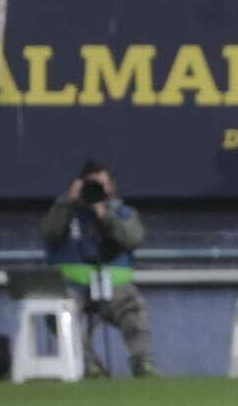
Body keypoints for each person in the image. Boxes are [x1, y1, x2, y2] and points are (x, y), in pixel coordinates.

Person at [41, 159, 156, 378]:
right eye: (90, 185)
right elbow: (49, 234)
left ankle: (143, 362)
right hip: (71, 287)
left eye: (101, 186)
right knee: (60, 312)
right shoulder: (64, 211)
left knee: (133, 307)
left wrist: (105, 214)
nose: (95, 191)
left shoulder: (121, 212)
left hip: (113, 287)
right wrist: (67, 202)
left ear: (111, 187)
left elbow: (134, 238)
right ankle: (87, 364)